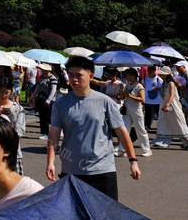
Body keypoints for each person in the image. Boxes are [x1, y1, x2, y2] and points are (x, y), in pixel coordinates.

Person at [46, 56, 141, 201]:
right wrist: (50, 162)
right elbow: (53, 135)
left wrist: (133, 161)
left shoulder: (105, 102)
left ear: (91, 76)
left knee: (107, 217)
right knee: (75, 218)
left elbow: (121, 132)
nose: (74, 79)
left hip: (102, 170)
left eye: (79, 75)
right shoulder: (61, 103)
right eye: (71, 75)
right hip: (71, 169)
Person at [0, 77, 26, 174]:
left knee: (16, 185)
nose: (3, 95)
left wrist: (10, 117)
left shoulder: (17, 108)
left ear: (11, 91)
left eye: (6, 92)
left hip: (13, 153)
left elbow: (20, 131)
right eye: (0, 92)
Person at [154, 66, 188, 149]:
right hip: (164, 106)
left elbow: (172, 95)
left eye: (162, 74)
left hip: (172, 106)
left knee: (179, 123)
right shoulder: (164, 83)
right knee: (164, 122)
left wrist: (167, 105)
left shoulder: (171, 83)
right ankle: (162, 141)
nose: (160, 75)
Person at [119, 68, 152, 157]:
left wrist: (130, 95)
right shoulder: (127, 85)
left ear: (133, 75)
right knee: (125, 130)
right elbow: (122, 97)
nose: (126, 76)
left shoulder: (139, 86)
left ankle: (147, 150)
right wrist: (122, 91)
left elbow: (142, 99)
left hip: (136, 110)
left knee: (140, 129)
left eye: (127, 74)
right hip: (127, 109)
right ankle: (122, 149)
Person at [142, 65, 163, 131]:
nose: (149, 71)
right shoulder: (145, 78)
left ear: (154, 71)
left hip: (157, 100)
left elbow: (162, 88)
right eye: (148, 69)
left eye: (151, 70)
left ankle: (161, 127)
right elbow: (144, 86)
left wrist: (156, 88)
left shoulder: (158, 78)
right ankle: (147, 126)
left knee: (159, 114)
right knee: (148, 114)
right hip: (147, 100)